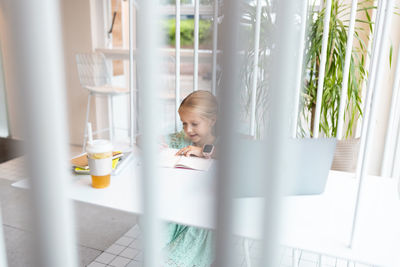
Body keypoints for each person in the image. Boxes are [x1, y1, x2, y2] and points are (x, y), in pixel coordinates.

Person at [162, 90, 217, 267]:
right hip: (179, 203)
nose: (188, 129)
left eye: (194, 123)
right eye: (184, 123)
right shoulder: (181, 139)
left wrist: (204, 151)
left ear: (212, 121)